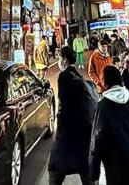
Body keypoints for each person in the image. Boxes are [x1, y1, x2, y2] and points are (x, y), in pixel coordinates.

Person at [48, 46, 95, 185]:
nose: (59, 61)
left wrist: (59, 126)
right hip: (84, 129)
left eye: (59, 57)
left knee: (55, 168)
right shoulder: (77, 75)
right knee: (85, 168)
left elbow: (62, 103)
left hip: (69, 130)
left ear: (64, 59)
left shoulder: (64, 76)